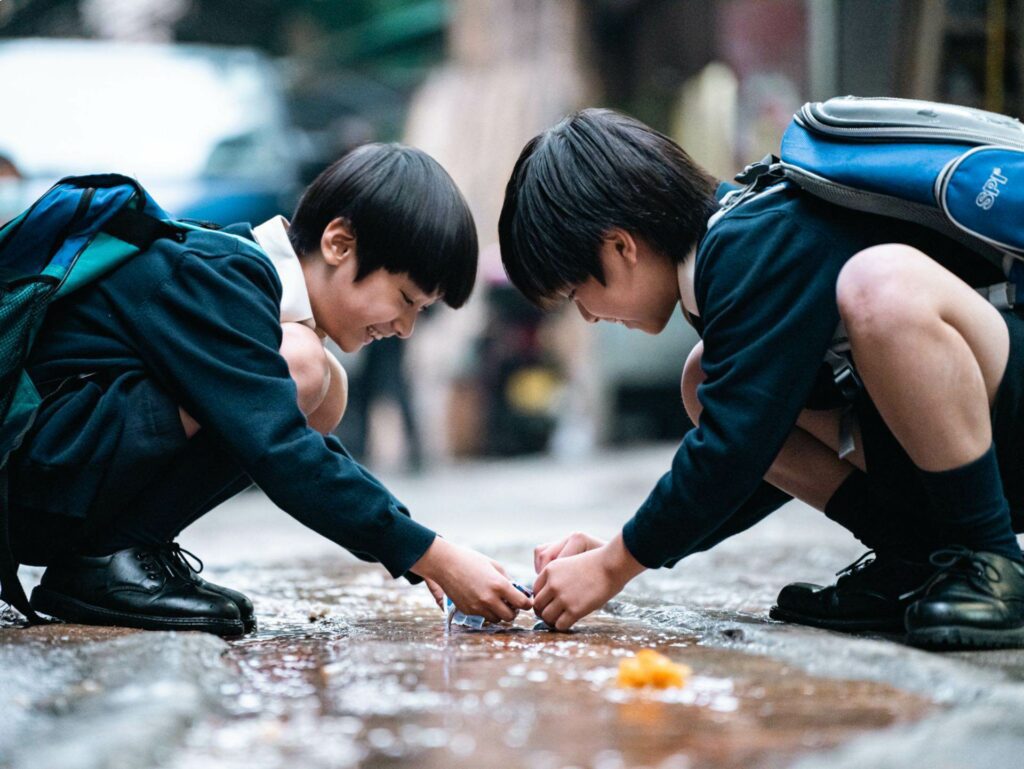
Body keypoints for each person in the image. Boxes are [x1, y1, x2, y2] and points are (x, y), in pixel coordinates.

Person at [497, 108, 1024, 649]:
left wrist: (616, 564)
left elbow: (732, 450)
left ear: (620, 247)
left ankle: (993, 559)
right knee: (703, 380)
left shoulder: (754, 243)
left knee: (881, 287)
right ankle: (915, 558)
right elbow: (753, 457)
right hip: (982, 423)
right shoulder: (726, 257)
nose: (586, 315)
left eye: (574, 293)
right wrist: (621, 548)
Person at [9, 143, 532, 635]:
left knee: (324, 385)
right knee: (301, 366)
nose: (405, 327)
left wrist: (422, 550)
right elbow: (281, 450)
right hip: (30, 479)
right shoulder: (222, 274)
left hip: (62, 469)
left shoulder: (239, 274)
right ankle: (106, 561)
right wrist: (429, 555)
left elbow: (296, 443)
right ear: (339, 243)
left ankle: (117, 551)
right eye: (405, 299)